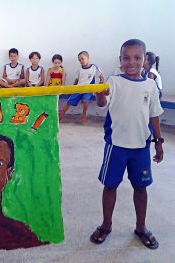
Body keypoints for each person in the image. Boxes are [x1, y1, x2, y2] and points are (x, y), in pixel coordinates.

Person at [90, 39, 164, 250]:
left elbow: (154, 116)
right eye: (126, 57)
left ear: (145, 60)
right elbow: (103, 103)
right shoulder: (114, 82)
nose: (131, 62)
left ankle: (141, 227)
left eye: (137, 58)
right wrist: (99, 93)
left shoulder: (150, 86)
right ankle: (106, 225)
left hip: (141, 147)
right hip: (116, 146)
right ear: (120, 60)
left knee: (141, 188)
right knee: (110, 185)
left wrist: (158, 142)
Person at [59, 51, 105, 124]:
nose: (81, 61)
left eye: (82, 59)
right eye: (79, 60)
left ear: (88, 58)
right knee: (69, 101)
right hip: (79, 88)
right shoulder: (80, 69)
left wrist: (100, 84)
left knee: (85, 100)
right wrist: (72, 89)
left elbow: (101, 76)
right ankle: (61, 115)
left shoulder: (94, 67)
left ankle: (84, 114)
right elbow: (76, 80)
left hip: (88, 89)